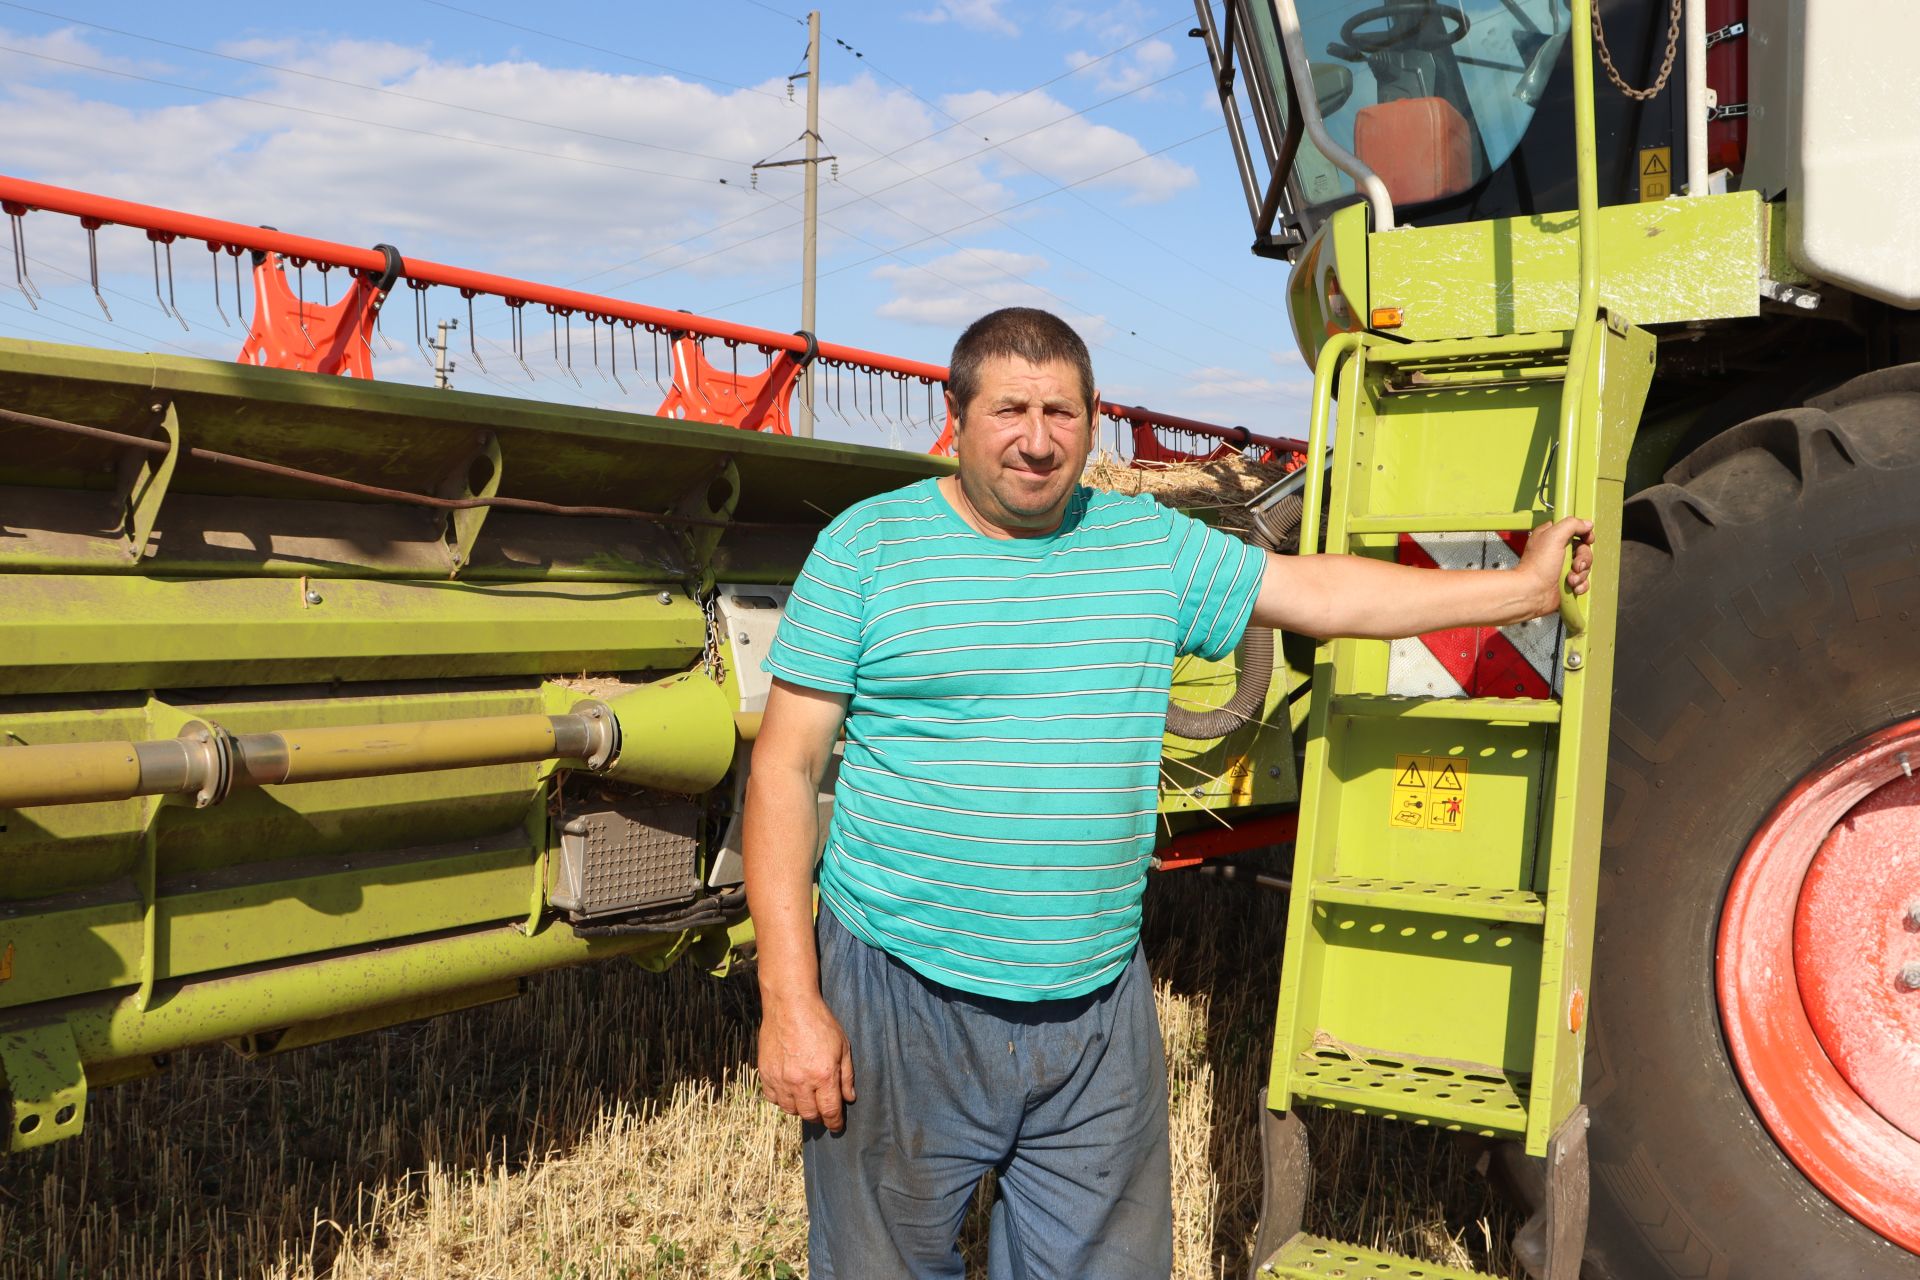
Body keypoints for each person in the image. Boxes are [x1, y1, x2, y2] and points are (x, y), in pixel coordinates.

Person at [743, 308, 1592, 1278]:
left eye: (1062, 412)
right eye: (1010, 409)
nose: (1036, 438)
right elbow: (785, 770)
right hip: (903, 991)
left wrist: (1519, 592)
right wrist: (790, 998)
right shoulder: (870, 548)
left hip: (1096, 1004)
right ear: (956, 415)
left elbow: (1318, 592)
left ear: (1094, 421)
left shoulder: (1148, 546)